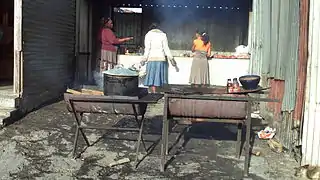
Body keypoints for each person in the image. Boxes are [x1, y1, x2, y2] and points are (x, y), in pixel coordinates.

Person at [141, 23, 175, 93]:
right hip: (160, 59)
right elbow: (166, 48)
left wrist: (144, 59)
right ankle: (157, 93)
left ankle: (153, 93)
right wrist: (171, 59)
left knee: (152, 77)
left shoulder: (148, 35)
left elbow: (147, 49)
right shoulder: (163, 35)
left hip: (151, 58)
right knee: (158, 77)